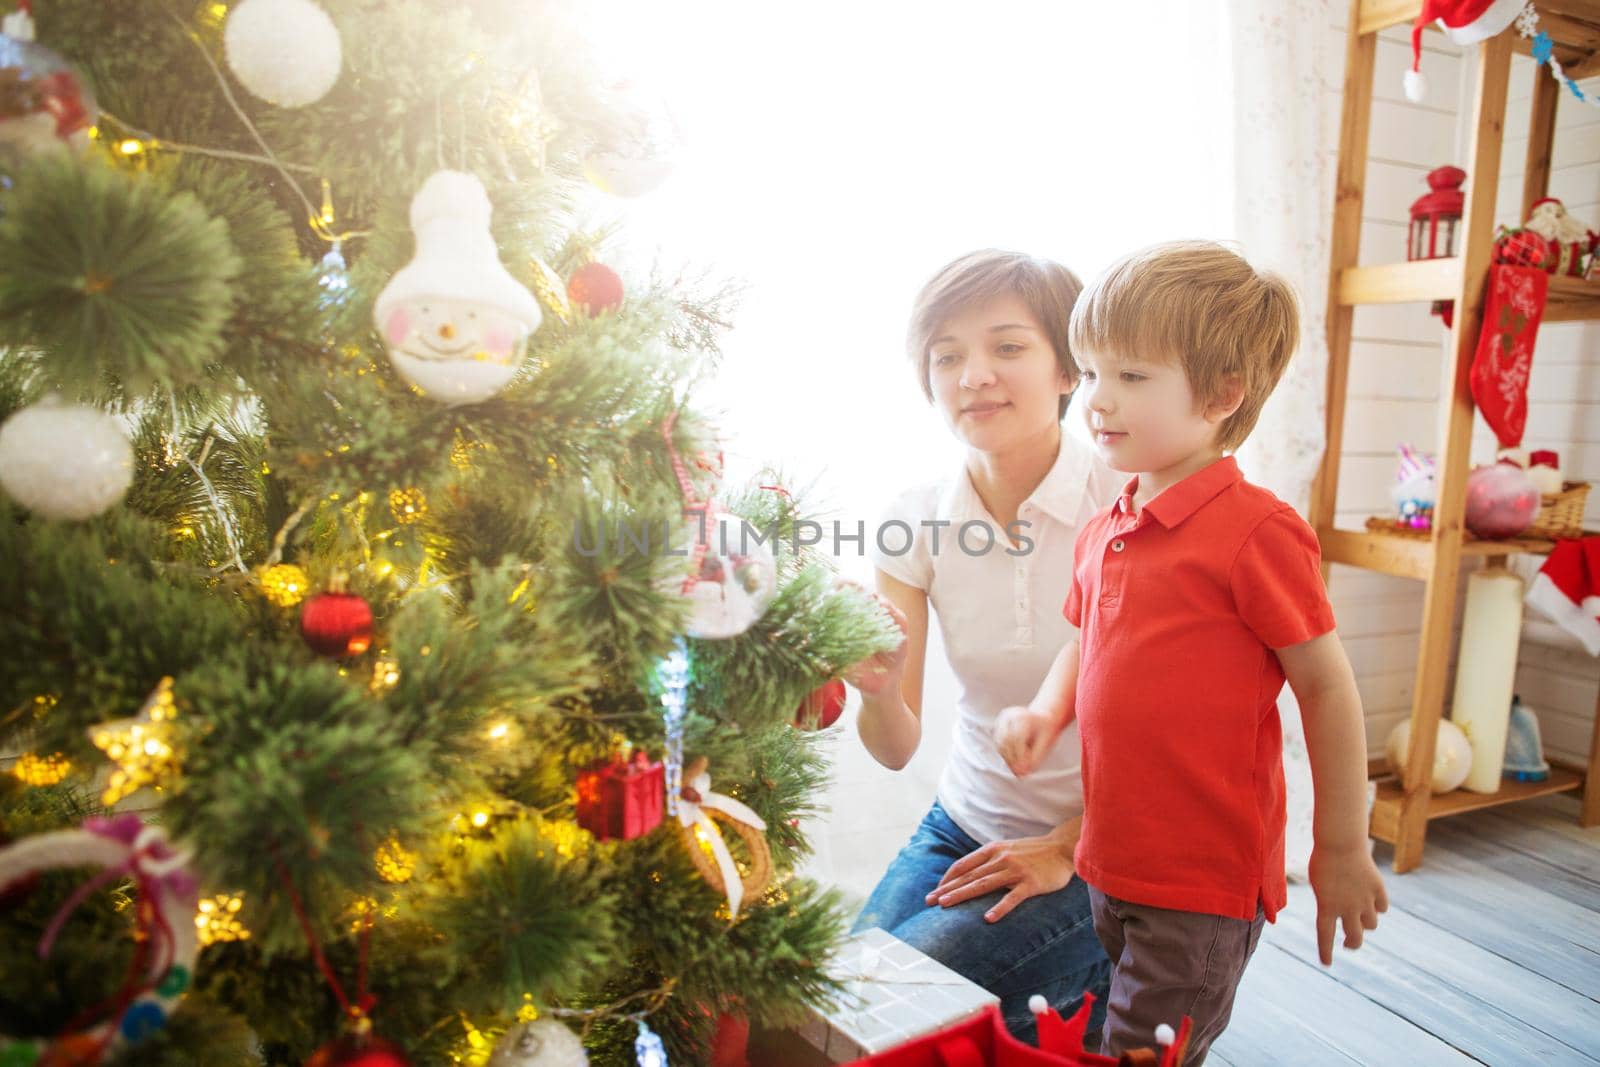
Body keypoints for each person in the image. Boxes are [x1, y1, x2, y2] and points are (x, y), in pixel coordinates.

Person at [995, 240, 1388, 1063]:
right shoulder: (1108, 525)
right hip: (1113, 859)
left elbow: (1326, 687)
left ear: (1221, 394)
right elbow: (1086, 639)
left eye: (1132, 377)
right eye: (1093, 371)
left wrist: (1343, 845)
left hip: (1200, 882)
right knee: (1111, 1028)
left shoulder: (1257, 533)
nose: (1098, 399)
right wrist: (1045, 708)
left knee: (1148, 1050)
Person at [844, 249, 1121, 1043]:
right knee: (832, 1000)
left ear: (1070, 370)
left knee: (891, 1025)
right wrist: (878, 688)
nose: (973, 376)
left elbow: (1177, 727)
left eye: (1007, 347)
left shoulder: (1126, 496)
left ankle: (1099, 971)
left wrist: (1067, 846)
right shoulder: (914, 517)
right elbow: (896, 749)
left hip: (1096, 849)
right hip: (962, 823)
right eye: (947, 355)